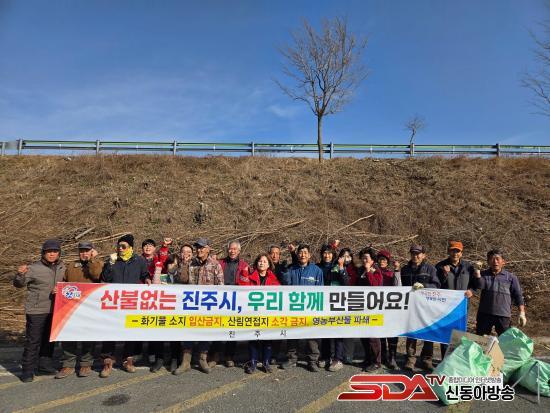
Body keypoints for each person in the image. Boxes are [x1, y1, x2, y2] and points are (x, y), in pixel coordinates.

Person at [13, 239, 66, 383]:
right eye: (49, 252)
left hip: (55, 309)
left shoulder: (62, 267)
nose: (52, 254)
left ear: (59, 253)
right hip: (36, 310)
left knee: (49, 339)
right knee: (33, 341)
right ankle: (27, 370)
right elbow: (18, 284)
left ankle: (44, 365)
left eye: (55, 251)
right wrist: (20, 274)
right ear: (43, 253)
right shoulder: (33, 268)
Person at [99, 234, 150, 378]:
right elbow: (105, 278)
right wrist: (110, 264)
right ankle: (108, 361)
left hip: (131, 301)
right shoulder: (112, 260)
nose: (120, 249)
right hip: (114, 302)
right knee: (110, 331)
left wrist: (147, 279)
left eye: (123, 246)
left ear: (130, 248)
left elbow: (144, 274)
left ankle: (128, 360)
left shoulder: (139, 260)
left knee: (130, 331)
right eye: (119, 246)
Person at [55, 241, 103, 379]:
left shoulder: (98, 263)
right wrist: (58, 289)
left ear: (92, 251)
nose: (84, 253)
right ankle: (68, 364)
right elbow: (64, 281)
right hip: (71, 307)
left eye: (87, 251)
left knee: (88, 336)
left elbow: (96, 275)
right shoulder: (71, 265)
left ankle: (86, 364)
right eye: (82, 251)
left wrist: (93, 259)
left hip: (89, 307)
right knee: (69, 336)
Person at [180, 238, 224, 374]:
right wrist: (184, 265)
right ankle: (186, 361)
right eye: (197, 248)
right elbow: (182, 280)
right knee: (188, 332)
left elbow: (221, 286)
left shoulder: (215, 265)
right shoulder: (190, 263)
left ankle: (202, 358)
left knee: (206, 332)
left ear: (208, 249)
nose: (199, 250)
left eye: (202, 247)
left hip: (208, 305)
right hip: (192, 304)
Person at [281, 244, 324, 372]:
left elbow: (320, 290)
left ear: (309, 255)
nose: (303, 255)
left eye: (305, 252)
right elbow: (286, 285)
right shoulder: (291, 269)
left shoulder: (317, 271)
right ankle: (292, 359)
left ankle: (312, 361)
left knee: (312, 336)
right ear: (297, 254)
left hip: (311, 308)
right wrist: (285, 272)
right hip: (294, 308)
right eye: (300, 252)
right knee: (292, 334)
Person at [400, 244, 440, 372]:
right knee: (412, 333)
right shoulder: (404, 269)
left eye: (418, 254)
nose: (415, 256)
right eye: (413, 253)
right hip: (411, 306)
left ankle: (427, 360)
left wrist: (424, 285)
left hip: (427, 307)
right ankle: (410, 359)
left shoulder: (431, 269)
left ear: (423, 255)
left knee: (428, 333)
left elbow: (437, 285)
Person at [238, 254, 280, 373]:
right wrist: (244, 273)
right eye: (260, 261)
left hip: (267, 313)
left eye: (265, 261)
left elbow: (278, 293)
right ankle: (253, 363)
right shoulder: (249, 276)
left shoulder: (273, 279)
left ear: (269, 265)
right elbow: (242, 288)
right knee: (253, 338)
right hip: (253, 312)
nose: (262, 263)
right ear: (256, 263)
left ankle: (266, 362)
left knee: (267, 339)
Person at [435, 240, 476, 358]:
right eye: (453, 251)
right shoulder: (440, 266)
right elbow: (435, 285)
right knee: (445, 333)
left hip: (462, 307)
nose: (455, 254)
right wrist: (444, 274)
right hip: (445, 307)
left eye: (457, 251)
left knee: (459, 334)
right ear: (449, 252)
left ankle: (455, 360)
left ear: (461, 253)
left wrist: (471, 291)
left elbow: (475, 284)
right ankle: (444, 359)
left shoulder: (469, 267)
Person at [474, 248, 526, 336]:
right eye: (492, 259)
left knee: (506, 341)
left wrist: (522, 312)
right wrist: (477, 273)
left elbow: (518, 295)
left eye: (498, 259)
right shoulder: (483, 274)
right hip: (484, 314)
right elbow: (479, 286)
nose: (495, 261)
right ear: (488, 262)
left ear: (503, 262)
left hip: (503, 315)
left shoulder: (511, 278)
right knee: (481, 340)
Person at [217, 240, 249, 367]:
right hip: (221, 299)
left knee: (232, 327)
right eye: (230, 248)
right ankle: (215, 355)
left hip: (236, 300)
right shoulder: (220, 263)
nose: (232, 251)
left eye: (235, 249)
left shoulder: (244, 265)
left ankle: (229, 356)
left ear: (239, 251)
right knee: (218, 327)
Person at [320, 246, 351, 371]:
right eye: (325, 253)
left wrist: (341, 266)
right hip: (323, 303)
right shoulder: (318, 267)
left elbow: (346, 282)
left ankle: (338, 358)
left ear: (333, 255)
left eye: (329, 253)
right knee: (324, 331)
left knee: (338, 331)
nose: (327, 255)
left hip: (338, 303)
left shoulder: (338, 266)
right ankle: (326, 356)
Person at [357, 248, 383, 372]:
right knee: (363, 335)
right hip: (361, 307)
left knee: (373, 336)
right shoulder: (360, 270)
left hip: (373, 309)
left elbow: (375, 286)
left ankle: (377, 362)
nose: (364, 260)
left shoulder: (376, 271)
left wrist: (368, 271)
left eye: (366, 258)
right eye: (362, 258)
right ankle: (368, 358)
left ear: (372, 260)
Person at [375, 249, 401, 370]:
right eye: (380, 259)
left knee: (392, 333)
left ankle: (392, 358)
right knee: (380, 333)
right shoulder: (374, 272)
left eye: (384, 260)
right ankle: (383, 356)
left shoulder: (391, 274)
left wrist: (397, 270)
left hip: (391, 308)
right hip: (377, 308)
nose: (382, 262)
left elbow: (398, 287)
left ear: (388, 261)